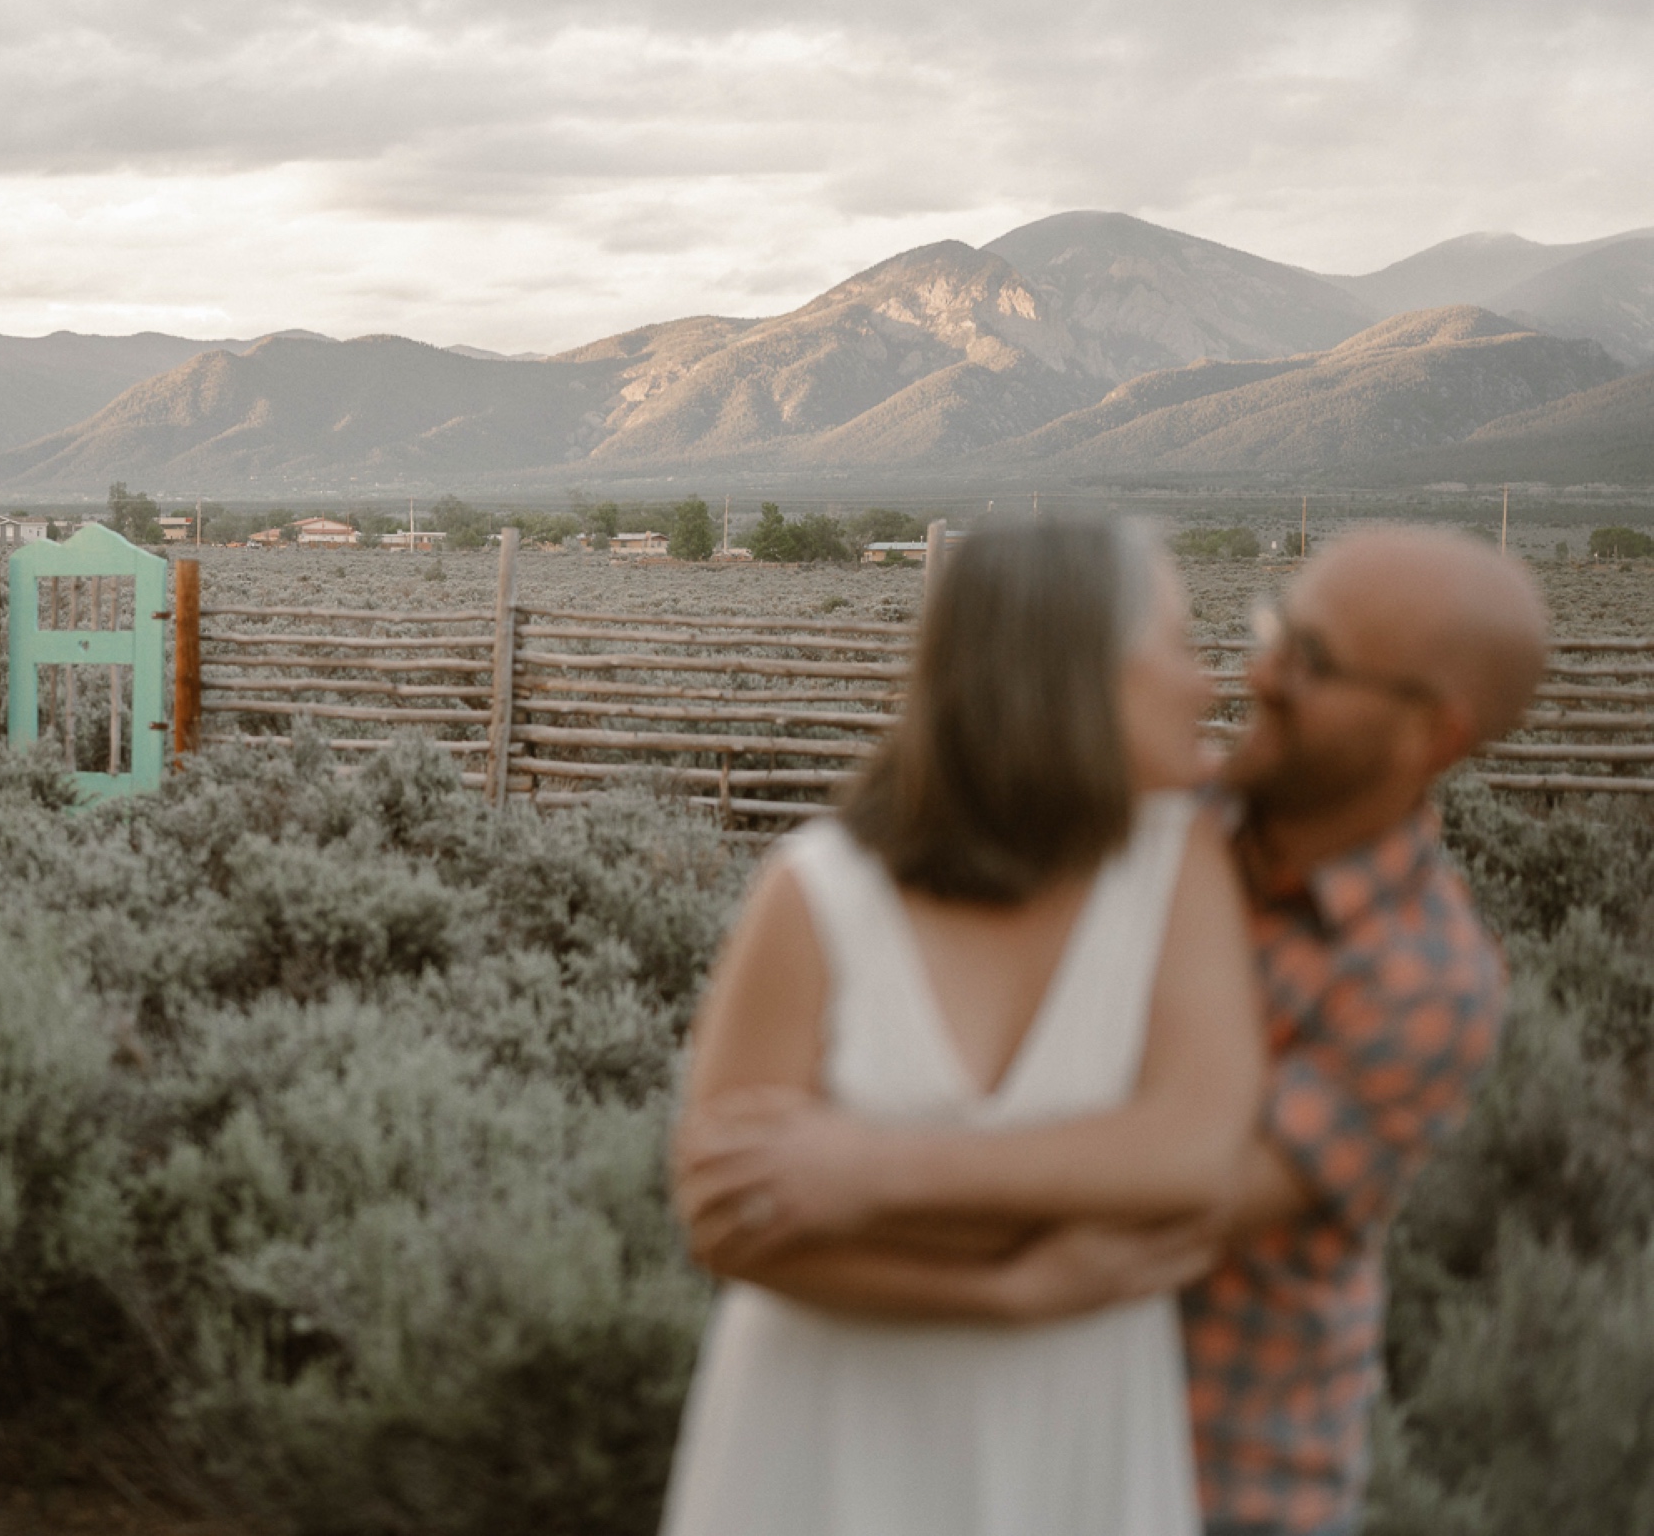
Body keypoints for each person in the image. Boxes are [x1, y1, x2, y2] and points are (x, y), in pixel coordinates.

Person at [676, 526, 1548, 1536]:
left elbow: (1169, 1204)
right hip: (882, 1408)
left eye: (1307, 661)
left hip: (1226, 1459)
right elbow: (732, 1209)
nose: (1246, 676)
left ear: (1426, 735)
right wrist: (990, 1268)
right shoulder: (1163, 816)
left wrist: (860, 1169)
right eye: (1274, 629)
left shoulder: (1422, 980)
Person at [659, 516, 1264, 1536]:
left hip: (1071, 1431)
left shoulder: (1179, 865)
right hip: (824, 1436)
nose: (1206, 683)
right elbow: (727, 1220)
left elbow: (1195, 1152)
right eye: (1177, 645)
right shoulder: (813, 894)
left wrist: (865, 1174)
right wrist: (1016, 1288)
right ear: (1071, 675)